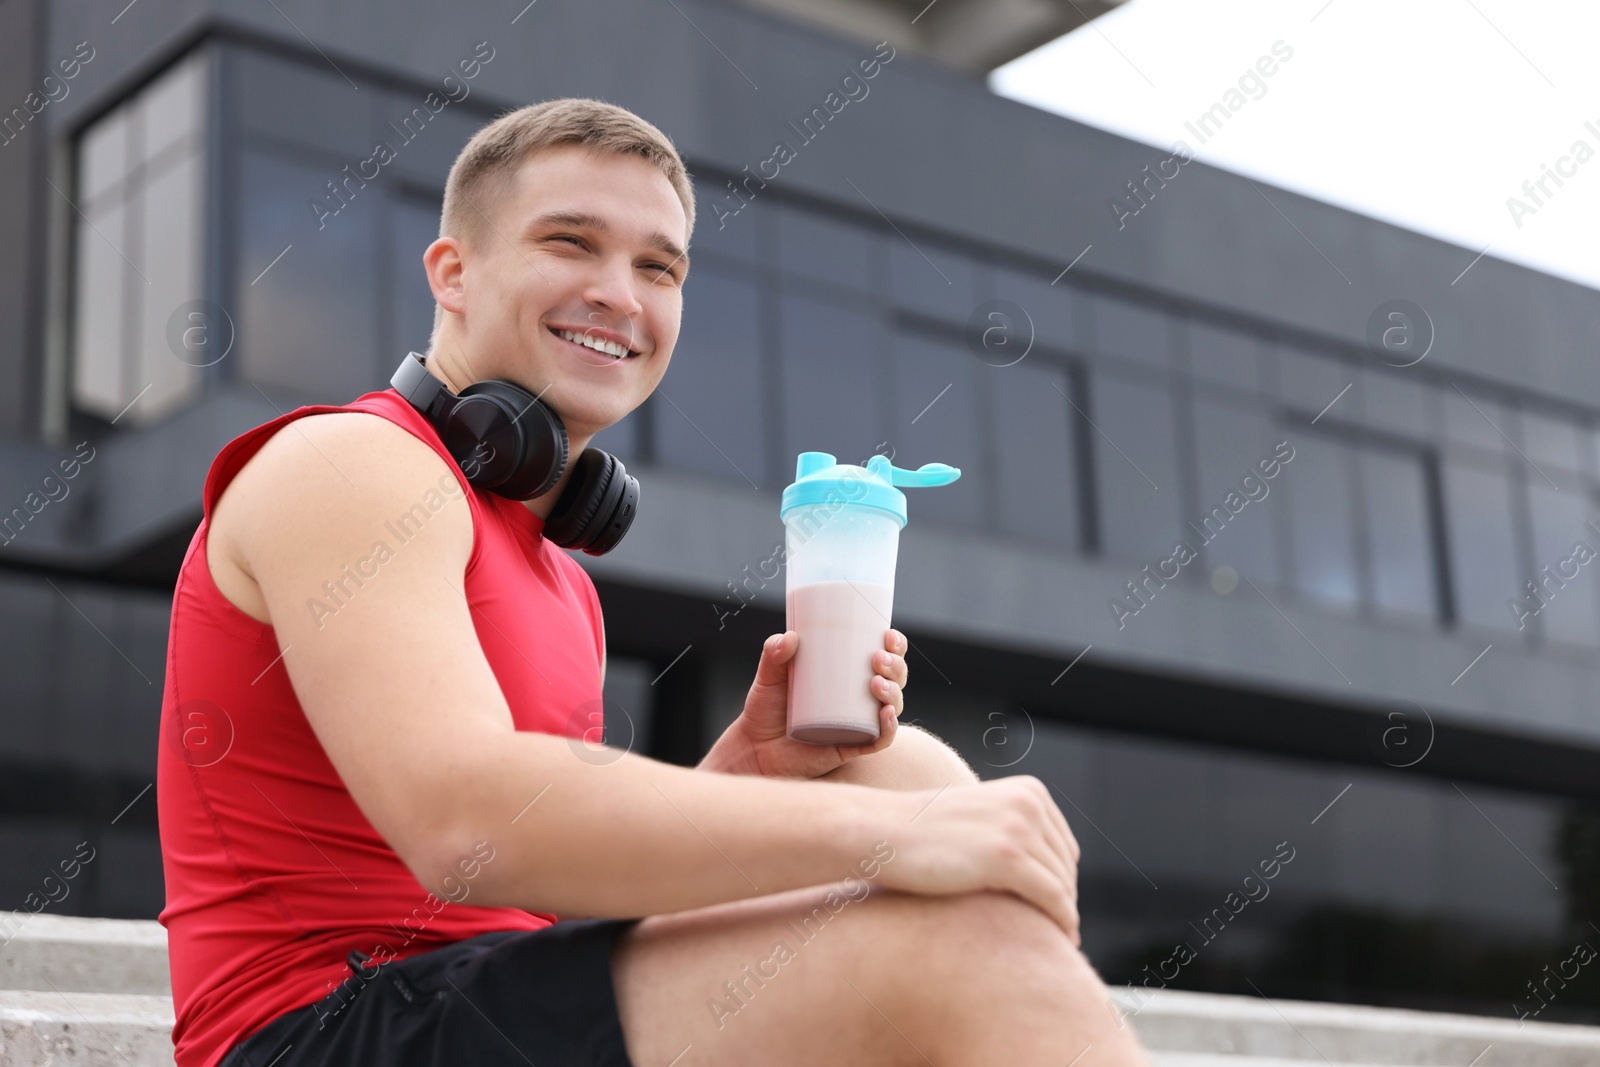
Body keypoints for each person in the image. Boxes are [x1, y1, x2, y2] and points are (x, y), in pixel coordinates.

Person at [157, 95, 1147, 1067]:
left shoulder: (561, 578)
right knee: (950, 919)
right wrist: (896, 835)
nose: (620, 295)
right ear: (453, 273)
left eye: (656, 266)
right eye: (571, 243)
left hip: (482, 994)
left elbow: (538, 901)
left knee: (902, 762)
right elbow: (461, 820)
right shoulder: (349, 464)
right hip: (320, 1030)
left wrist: (747, 783)